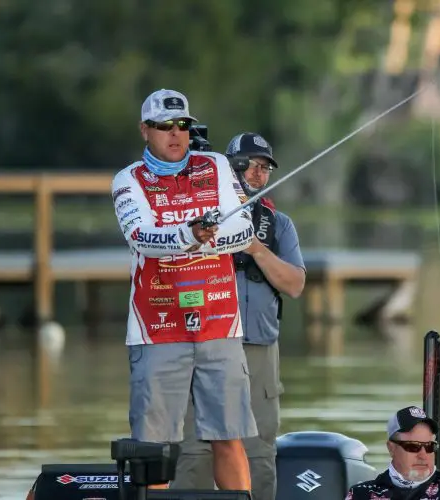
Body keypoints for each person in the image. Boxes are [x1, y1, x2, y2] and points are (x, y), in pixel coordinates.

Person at [111, 89, 258, 491]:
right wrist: (189, 234)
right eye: (164, 126)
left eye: (182, 125)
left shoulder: (217, 164)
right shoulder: (128, 179)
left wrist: (204, 239)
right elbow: (140, 236)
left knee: (229, 437)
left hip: (219, 324)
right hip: (157, 329)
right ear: (145, 130)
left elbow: (244, 231)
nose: (175, 134)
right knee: (153, 448)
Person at [173, 132, 306, 500]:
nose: (258, 173)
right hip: (204, 346)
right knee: (196, 450)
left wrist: (255, 248)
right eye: (249, 165)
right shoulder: (197, 217)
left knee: (259, 450)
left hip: (260, 349)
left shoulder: (279, 224)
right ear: (228, 169)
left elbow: (295, 285)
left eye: (265, 167)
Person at [345, 406, 440, 500]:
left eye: (429, 446)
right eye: (413, 446)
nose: (423, 455)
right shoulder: (361, 494)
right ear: (391, 448)